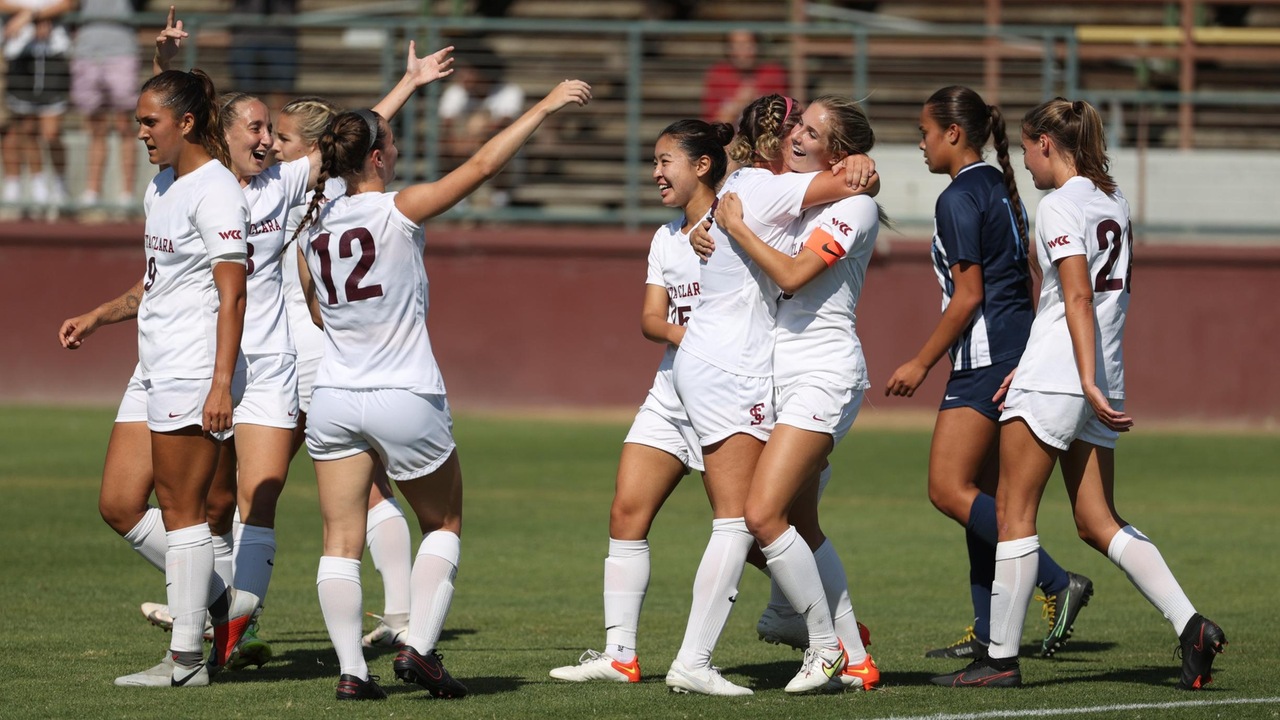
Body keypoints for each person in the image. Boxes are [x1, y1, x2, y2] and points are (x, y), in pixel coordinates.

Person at [293, 79, 591, 700]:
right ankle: (420, 652)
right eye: (391, 143)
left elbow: (318, 312)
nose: (396, 150)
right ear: (376, 157)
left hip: (333, 396)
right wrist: (542, 104)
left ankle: (351, 673)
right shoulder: (399, 208)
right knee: (444, 522)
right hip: (403, 392)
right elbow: (482, 165)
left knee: (339, 542)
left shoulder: (313, 226)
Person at [933, 98, 1226, 690]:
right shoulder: (1111, 199)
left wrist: (1074, 376)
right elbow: (1078, 303)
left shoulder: (1059, 206)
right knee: (1097, 521)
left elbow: (1075, 297)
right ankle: (1191, 624)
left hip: (1066, 375)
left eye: (1025, 147)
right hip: (1094, 372)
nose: (1023, 159)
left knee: (1014, 512)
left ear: (1047, 143)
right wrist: (1092, 378)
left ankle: (999, 661)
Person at [667, 93, 875, 696]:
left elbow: (789, 276)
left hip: (823, 373)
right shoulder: (794, 195)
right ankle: (855, 660)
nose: (796, 136)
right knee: (801, 524)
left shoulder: (851, 206)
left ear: (840, 152)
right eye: (796, 127)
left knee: (758, 515)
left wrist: (731, 227)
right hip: (777, 374)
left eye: (813, 131)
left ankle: (825, 648)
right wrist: (716, 230)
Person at [884, 85, 1092, 662]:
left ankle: (1056, 581)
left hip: (983, 362)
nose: (921, 144)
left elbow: (968, 293)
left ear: (953, 134)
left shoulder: (956, 199)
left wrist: (921, 362)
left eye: (925, 132)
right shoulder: (1003, 187)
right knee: (986, 500)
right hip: (1013, 352)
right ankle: (987, 630)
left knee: (948, 490)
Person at [547, 118, 730, 684]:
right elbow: (652, 319)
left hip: (729, 397)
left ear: (702, 165)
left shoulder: (743, 221)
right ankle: (620, 655)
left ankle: (826, 627)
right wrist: (691, 338)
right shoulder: (664, 237)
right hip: (671, 394)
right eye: (653, 162)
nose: (655, 173)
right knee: (627, 512)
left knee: (755, 530)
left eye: (664, 161)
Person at [103, 66, 255, 688]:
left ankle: (187, 661)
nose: (140, 133)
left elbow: (233, 293)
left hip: (196, 368)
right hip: (153, 366)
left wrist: (221, 382)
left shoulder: (217, 190)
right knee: (118, 504)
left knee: (183, 512)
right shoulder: (162, 185)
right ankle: (219, 593)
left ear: (185, 123)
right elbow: (157, 280)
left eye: (149, 122)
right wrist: (98, 316)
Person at [276, 94, 421, 651]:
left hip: (305, 354)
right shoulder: (337, 190)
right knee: (368, 492)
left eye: (285, 138)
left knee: (259, 490)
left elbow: (364, 132)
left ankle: (218, 604)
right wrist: (407, 83)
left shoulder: (300, 193)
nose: (273, 146)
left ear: (316, 149)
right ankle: (401, 613)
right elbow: (365, 132)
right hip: (324, 353)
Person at [70, 0, 143, 213]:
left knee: (124, 126)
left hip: (121, 50)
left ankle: (127, 194)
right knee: (96, 128)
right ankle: (92, 191)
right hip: (87, 51)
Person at [1, 0, 72, 217]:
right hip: (20, 56)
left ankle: (60, 187)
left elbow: (69, 4)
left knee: (51, 133)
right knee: (28, 130)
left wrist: (31, 17)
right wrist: (32, 14)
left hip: (52, 56)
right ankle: (38, 186)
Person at [700, 29, 786, 125]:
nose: (742, 52)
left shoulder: (772, 73)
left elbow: (783, 119)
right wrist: (738, 103)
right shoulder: (718, 74)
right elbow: (712, 125)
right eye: (736, 45)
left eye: (748, 44)